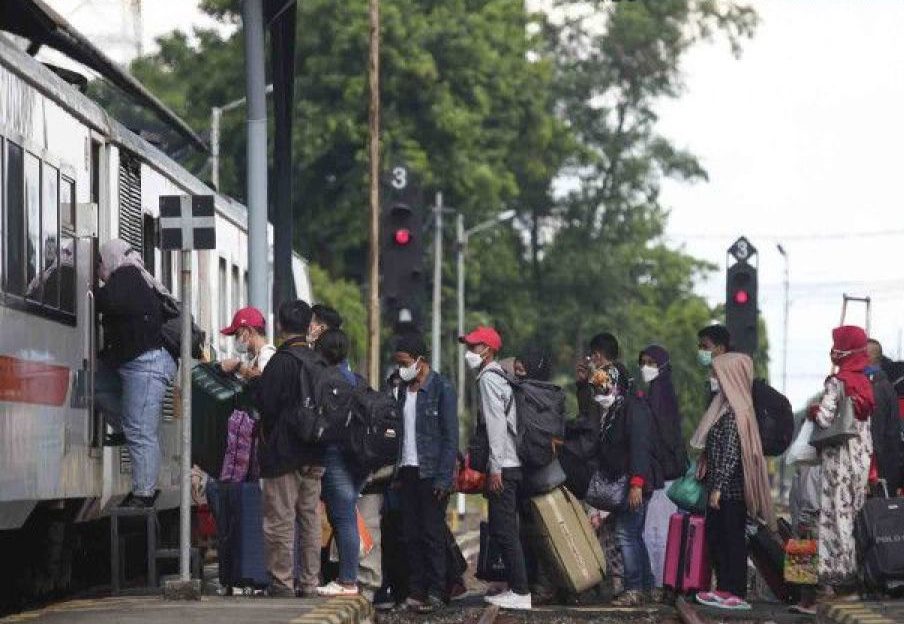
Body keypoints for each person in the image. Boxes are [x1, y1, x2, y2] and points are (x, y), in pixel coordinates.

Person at [253, 299, 327, 598]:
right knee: (309, 518)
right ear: (309, 326)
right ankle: (309, 582)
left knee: (280, 520)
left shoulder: (281, 362)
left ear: (280, 326)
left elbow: (265, 406)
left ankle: (281, 583)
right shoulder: (319, 361)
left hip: (284, 454)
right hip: (316, 451)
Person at [94, 239, 177, 508]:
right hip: (135, 364)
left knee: (140, 430)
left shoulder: (127, 275)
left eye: (100, 263)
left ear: (111, 259)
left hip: (146, 365)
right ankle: (134, 431)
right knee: (96, 387)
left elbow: (107, 301)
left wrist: (92, 288)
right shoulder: (138, 276)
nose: (99, 269)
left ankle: (144, 493)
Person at [691, 352, 775, 611]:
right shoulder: (724, 407)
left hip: (730, 491)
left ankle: (736, 591)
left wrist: (718, 487)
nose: (712, 378)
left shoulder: (736, 412)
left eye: (716, 374)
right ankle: (724, 588)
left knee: (732, 540)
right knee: (717, 538)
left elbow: (730, 453)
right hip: (718, 487)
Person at [462, 326, 531, 611]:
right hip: (512, 463)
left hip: (504, 465)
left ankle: (520, 591)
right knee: (506, 528)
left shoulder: (489, 379)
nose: (469, 352)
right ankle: (515, 587)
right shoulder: (500, 377)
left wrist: (495, 468)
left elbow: (496, 425)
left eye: (474, 347)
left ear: (487, 351)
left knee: (504, 530)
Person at [392, 332, 458, 613]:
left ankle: (437, 589)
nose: (401, 368)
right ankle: (416, 589)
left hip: (431, 472)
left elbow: (450, 436)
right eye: (398, 363)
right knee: (411, 533)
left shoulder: (441, 388)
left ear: (420, 361)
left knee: (432, 533)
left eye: (405, 362)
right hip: (407, 471)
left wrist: (445, 477)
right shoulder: (400, 389)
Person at [810, 326, 874, 592]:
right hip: (861, 456)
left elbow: (825, 418)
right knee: (856, 510)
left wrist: (813, 411)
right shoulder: (865, 382)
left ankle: (840, 573)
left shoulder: (837, 381)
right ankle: (859, 570)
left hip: (839, 457)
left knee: (836, 513)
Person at [593, 359, 660, 606]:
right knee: (633, 534)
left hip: (636, 482)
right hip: (628, 481)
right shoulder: (616, 409)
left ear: (617, 384)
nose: (601, 394)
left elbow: (640, 448)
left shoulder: (634, 408)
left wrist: (637, 484)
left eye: (605, 387)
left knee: (626, 534)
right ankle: (647, 587)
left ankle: (634, 589)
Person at [313, 329, 368, 597]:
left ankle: (348, 581)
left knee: (343, 516)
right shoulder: (355, 379)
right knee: (344, 514)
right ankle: (347, 579)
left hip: (335, 454)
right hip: (356, 456)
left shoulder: (325, 378)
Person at [638, 345, 685, 593]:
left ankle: (659, 583)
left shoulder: (659, 394)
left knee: (657, 533)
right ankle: (661, 581)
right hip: (663, 472)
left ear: (663, 365)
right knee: (657, 531)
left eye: (652, 363)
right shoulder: (661, 391)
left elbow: (662, 435)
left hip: (663, 474)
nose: (646, 367)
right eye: (643, 362)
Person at [865, 349, 903, 495]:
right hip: (887, 467)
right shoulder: (886, 385)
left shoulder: (876, 388)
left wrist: (874, 470)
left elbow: (876, 435)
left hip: (878, 471)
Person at [219, 306, 276, 380]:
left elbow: (263, 384)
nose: (236, 340)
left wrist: (238, 366)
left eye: (237, 334)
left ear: (249, 331)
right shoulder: (257, 357)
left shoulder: (266, 356)